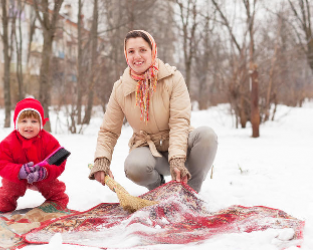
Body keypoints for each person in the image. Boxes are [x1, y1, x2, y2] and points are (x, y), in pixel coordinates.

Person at [89, 30, 218, 193]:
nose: (137, 56)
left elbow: (179, 122)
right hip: (150, 151)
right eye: (131, 51)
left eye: (142, 50)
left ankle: (191, 192)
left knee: (207, 135)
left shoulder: (173, 78)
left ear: (153, 51)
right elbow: (109, 131)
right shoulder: (121, 89)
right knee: (134, 166)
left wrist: (177, 158)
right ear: (126, 55)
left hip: (179, 145)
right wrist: (102, 160)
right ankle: (158, 190)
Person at [0, 97, 69, 213]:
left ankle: (57, 203)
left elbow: (59, 161)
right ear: (16, 123)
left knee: (53, 188)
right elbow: (0, 162)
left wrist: (45, 172)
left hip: (42, 176)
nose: (29, 125)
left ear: (41, 124)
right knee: (8, 189)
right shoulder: (8, 143)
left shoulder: (48, 141)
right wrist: (18, 171)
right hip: (17, 178)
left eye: (34, 121)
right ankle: (4, 207)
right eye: (24, 121)